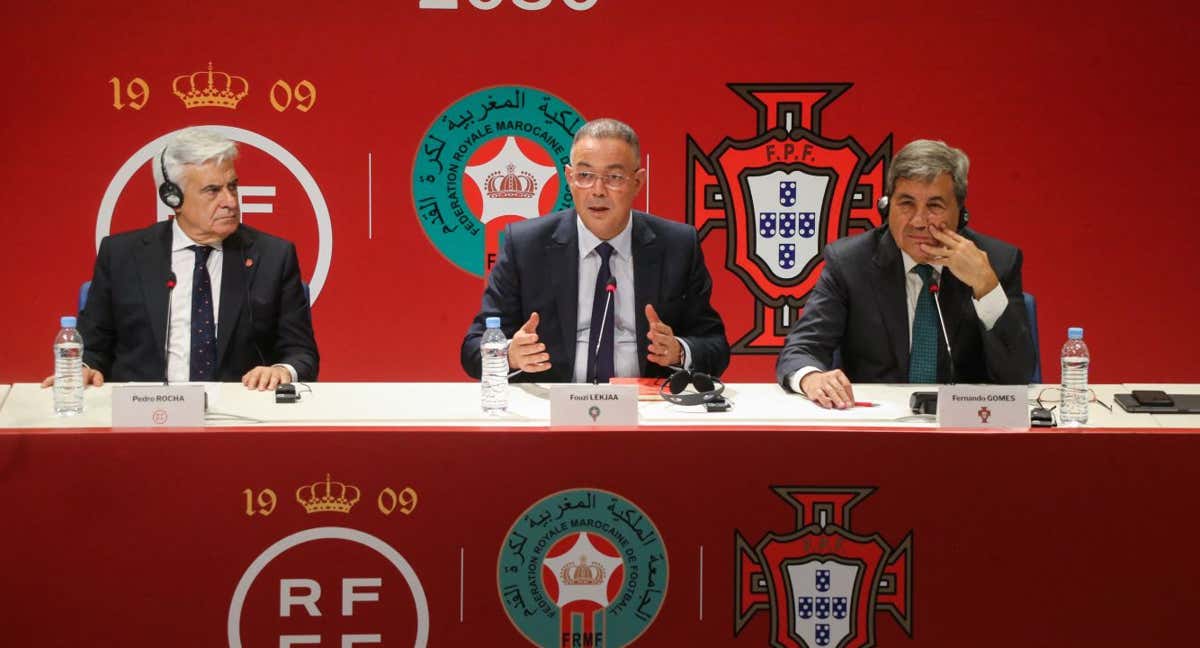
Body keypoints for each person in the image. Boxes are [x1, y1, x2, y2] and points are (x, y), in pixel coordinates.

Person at [44, 127, 318, 390]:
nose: (230, 202)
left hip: (239, 416)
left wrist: (282, 370)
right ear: (172, 197)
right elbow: (93, 347)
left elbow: (301, 353)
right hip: (142, 418)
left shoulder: (273, 256)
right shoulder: (121, 256)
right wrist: (85, 367)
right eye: (213, 190)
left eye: (232, 187)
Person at [461, 118, 729, 383]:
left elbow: (715, 347)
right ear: (569, 177)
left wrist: (679, 352)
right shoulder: (525, 246)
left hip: (647, 410)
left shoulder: (677, 245)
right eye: (585, 176)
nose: (598, 191)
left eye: (614, 177)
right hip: (552, 410)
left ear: (638, 182)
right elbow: (473, 349)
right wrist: (510, 355)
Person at [776, 139, 1034, 408]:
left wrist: (986, 285)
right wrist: (812, 377)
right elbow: (800, 350)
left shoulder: (997, 262)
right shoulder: (851, 263)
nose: (919, 221)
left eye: (934, 205)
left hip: (967, 427)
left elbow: (1017, 376)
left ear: (961, 212)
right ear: (887, 208)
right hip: (875, 428)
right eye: (906, 204)